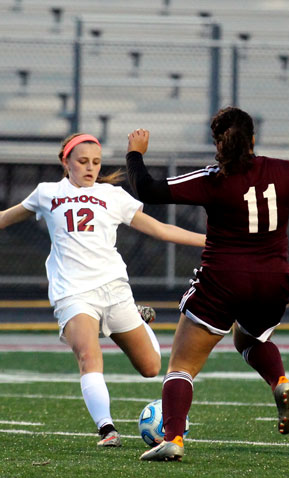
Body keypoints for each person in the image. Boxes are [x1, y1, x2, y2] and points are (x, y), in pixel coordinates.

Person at [126, 107, 289, 462]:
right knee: (248, 338)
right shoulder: (285, 171)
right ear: (253, 139)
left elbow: (148, 190)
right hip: (273, 282)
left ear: (218, 143)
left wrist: (135, 153)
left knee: (181, 366)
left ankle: (172, 439)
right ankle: (279, 381)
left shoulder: (213, 178)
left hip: (223, 280)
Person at [0, 132, 205, 447]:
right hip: (74, 293)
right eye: (82, 161)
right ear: (64, 161)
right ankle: (107, 429)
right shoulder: (47, 193)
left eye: (95, 162)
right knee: (88, 354)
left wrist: (212, 241)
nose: (90, 168)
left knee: (151, 368)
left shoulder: (112, 195)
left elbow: (161, 230)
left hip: (114, 290)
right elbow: (6, 218)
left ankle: (135, 317)